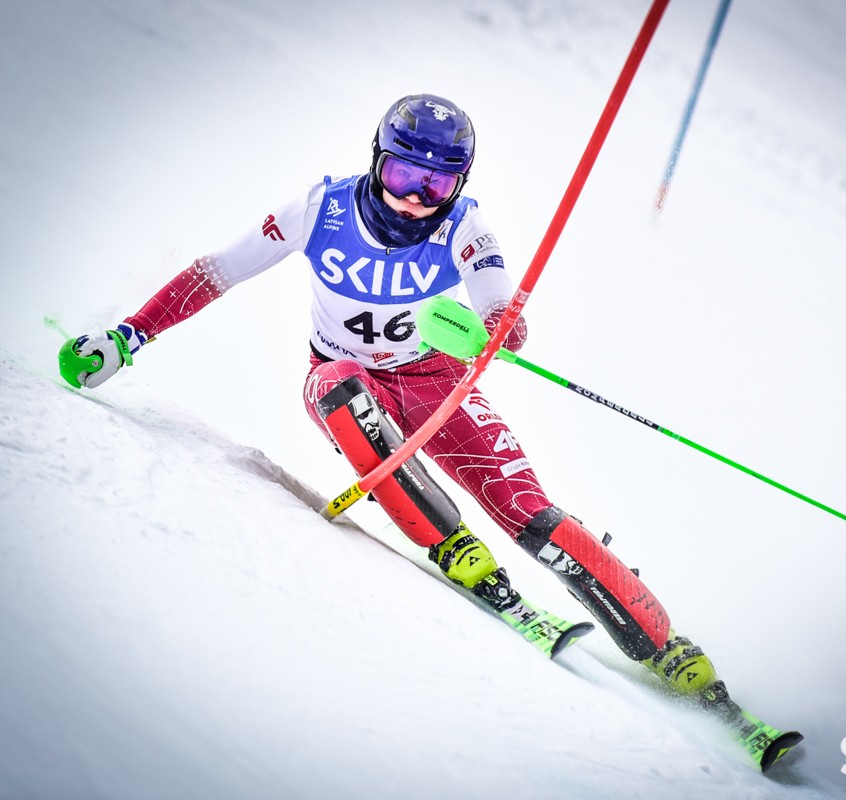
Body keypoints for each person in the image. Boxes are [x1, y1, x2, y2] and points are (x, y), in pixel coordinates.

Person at [60, 93, 727, 707]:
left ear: (458, 184)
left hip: (438, 381)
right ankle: (452, 544)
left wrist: (502, 324)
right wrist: (127, 336)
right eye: (404, 174)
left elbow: (497, 297)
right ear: (377, 160)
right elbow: (218, 270)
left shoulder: (463, 225)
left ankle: (664, 644)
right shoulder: (320, 209)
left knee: (527, 508)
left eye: (436, 184)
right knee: (339, 388)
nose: (414, 198)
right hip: (348, 379)